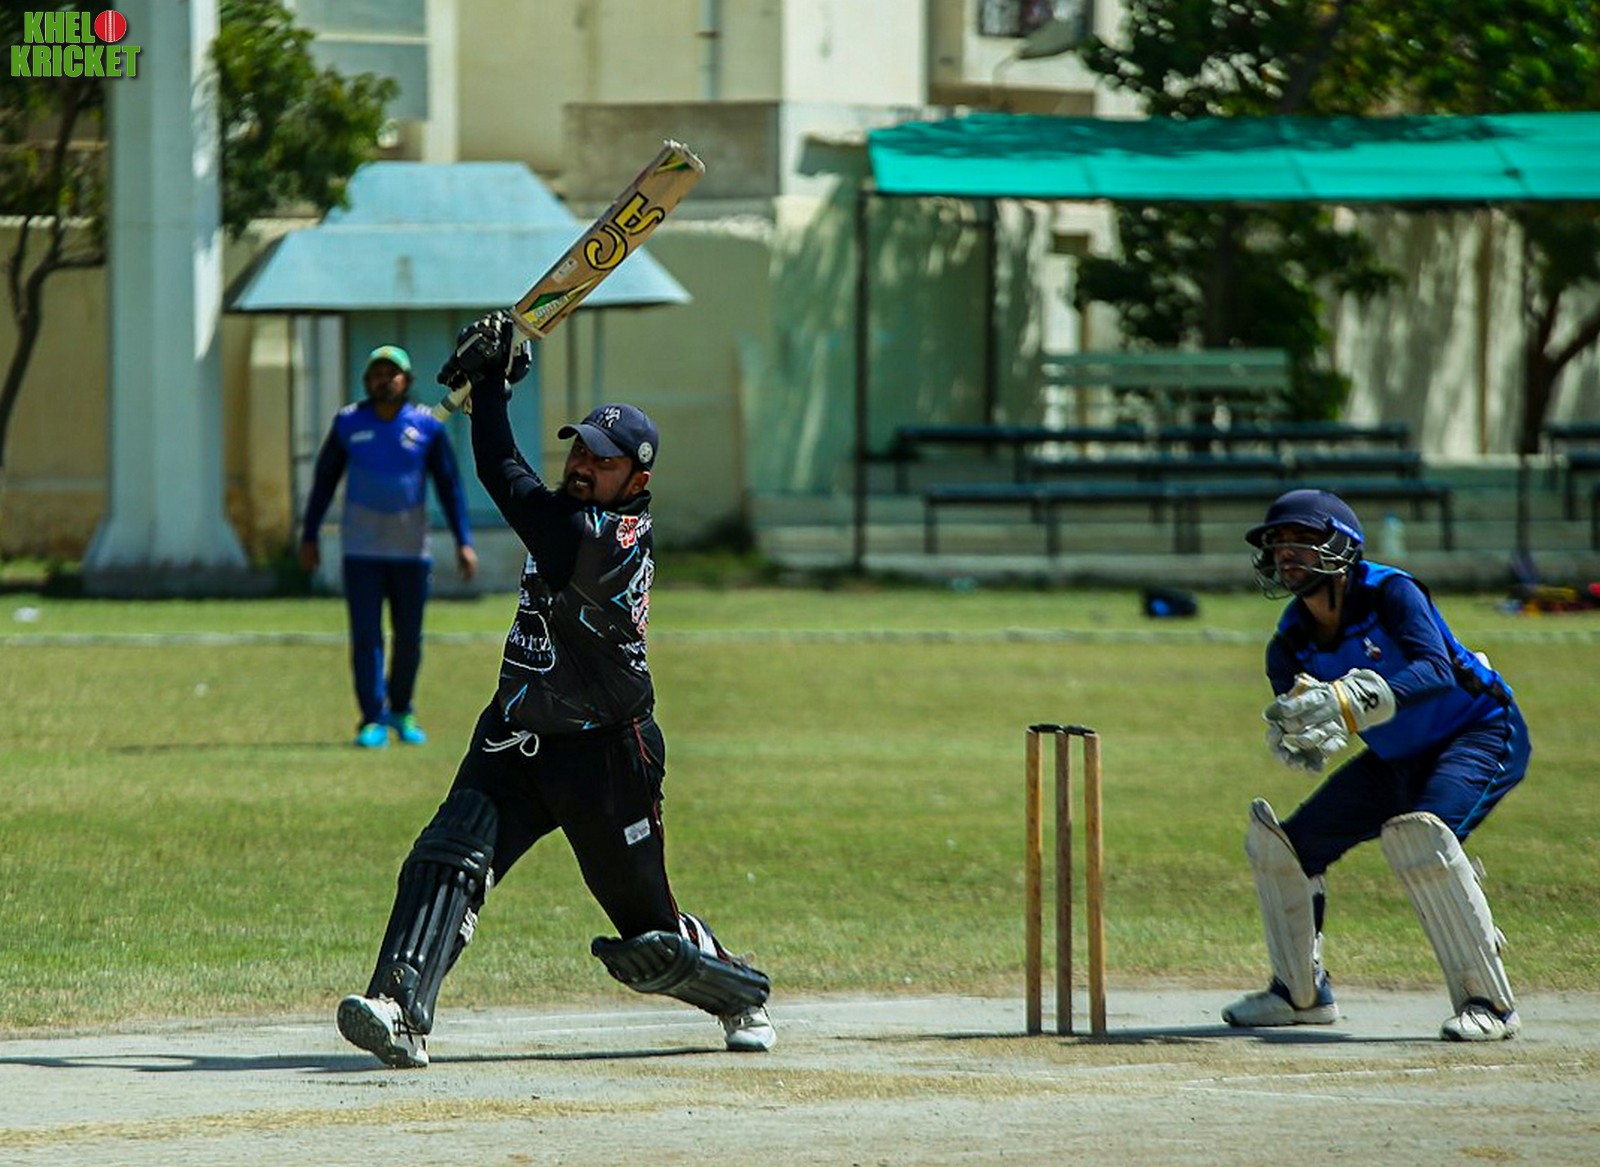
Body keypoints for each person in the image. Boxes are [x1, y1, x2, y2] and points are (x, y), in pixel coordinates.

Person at [335, 314, 773, 1068]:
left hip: (606, 754)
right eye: (579, 449)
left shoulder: (603, 539)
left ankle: (740, 991)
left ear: (636, 481)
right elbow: (514, 478)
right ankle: (398, 1008)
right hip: (515, 731)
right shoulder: (571, 516)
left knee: (647, 934)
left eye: (603, 460)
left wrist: (492, 389)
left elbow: (505, 481)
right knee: (447, 856)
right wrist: (491, 388)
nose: (582, 465)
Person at [1222, 489, 1530, 1042]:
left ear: (1342, 547)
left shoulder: (1392, 592)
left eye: (1303, 539)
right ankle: (1300, 995)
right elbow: (1301, 709)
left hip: (1476, 731)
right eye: (1278, 542)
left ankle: (1489, 1004)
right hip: (1393, 757)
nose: (1287, 552)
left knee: (1423, 841)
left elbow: (1435, 670)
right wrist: (1298, 733)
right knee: (1285, 850)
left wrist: (1347, 699)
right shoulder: (1288, 642)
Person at [299, 344, 478, 748]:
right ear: (367, 381)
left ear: (407, 381)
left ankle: (401, 709)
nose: (384, 380)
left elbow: (449, 487)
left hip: (410, 552)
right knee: (366, 636)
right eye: (377, 374)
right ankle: (372, 718)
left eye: (392, 373)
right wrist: (309, 535)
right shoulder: (348, 422)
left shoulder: (427, 425)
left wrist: (464, 541)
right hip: (360, 550)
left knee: (409, 637)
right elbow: (324, 481)